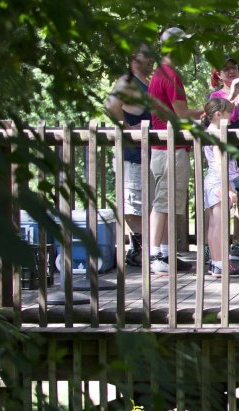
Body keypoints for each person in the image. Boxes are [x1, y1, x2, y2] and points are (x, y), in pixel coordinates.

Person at [147, 26, 203, 275]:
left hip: (167, 148)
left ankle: (167, 254)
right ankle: (155, 255)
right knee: (163, 202)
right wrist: (204, 112)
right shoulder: (169, 75)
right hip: (168, 149)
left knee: (171, 202)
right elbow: (180, 113)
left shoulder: (162, 72)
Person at [103, 44, 154, 266]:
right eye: (146, 54)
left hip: (146, 154)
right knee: (133, 203)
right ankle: (137, 250)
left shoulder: (145, 82)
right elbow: (110, 104)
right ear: (134, 56)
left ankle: (144, 249)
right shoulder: (128, 80)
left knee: (145, 202)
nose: (151, 58)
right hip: (131, 154)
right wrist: (125, 127)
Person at [208, 57, 239, 260]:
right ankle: (217, 250)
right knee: (223, 203)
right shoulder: (216, 95)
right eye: (225, 69)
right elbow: (214, 118)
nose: (230, 72)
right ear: (218, 75)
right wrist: (232, 94)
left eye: (234, 68)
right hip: (227, 151)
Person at [201, 98, 239, 277]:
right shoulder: (217, 135)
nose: (231, 116)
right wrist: (227, 189)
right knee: (219, 225)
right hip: (219, 182)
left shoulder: (210, 132)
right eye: (228, 113)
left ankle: (215, 261)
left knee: (213, 224)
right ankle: (220, 263)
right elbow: (221, 165)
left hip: (213, 182)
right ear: (218, 114)